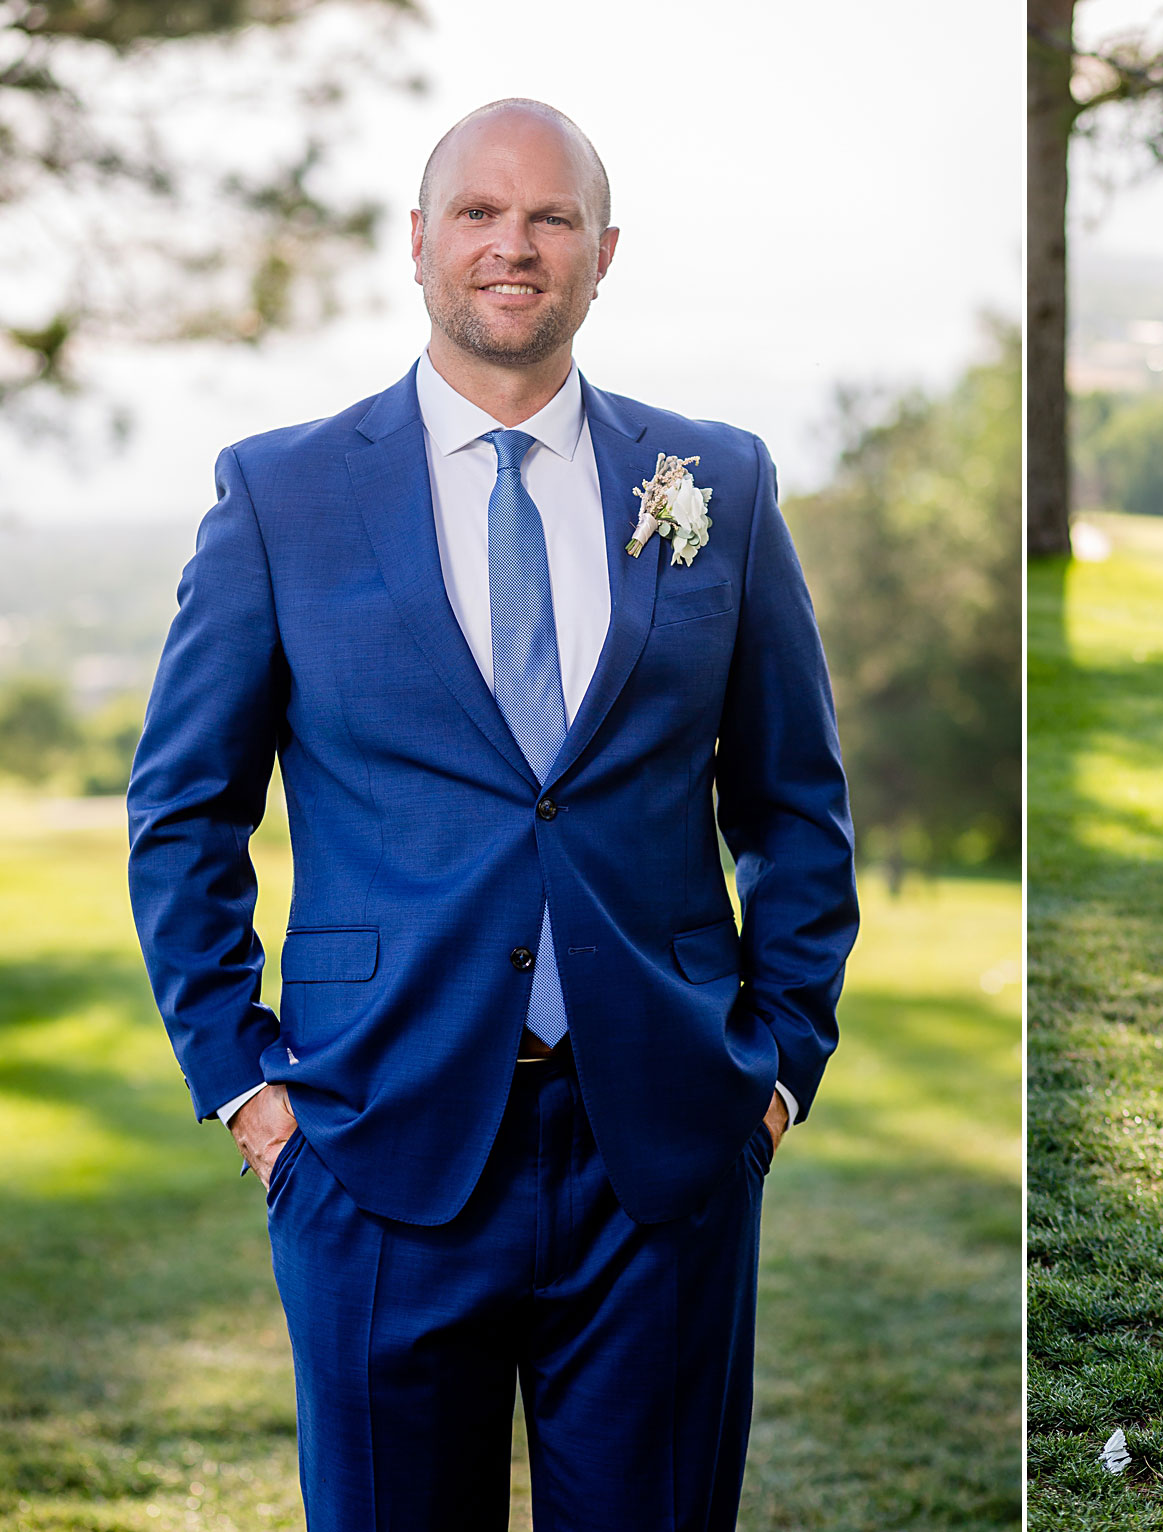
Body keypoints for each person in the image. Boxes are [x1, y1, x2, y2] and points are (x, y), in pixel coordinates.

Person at [127, 98, 858, 1531]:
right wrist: (248, 1090)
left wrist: (774, 1075)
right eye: (477, 212)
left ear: (603, 253)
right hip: (372, 1144)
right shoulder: (279, 494)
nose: (511, 246)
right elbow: (183, 812)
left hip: (665, 1155)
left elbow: (794, 802)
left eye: (549, 218)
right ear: (417, 243)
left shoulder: (719, 480)